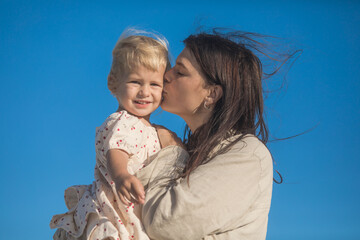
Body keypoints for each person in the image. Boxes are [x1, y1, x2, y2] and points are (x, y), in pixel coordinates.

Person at [134, 30, 293, 240]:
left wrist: (172, 152)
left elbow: (164, 223)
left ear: (212, 94)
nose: (166, 75)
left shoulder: (248, 155)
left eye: (180, 72)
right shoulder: (193, 151)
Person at [50, 29, 171, 240]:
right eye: (135, 82)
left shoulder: (149, 128)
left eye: (154, 84)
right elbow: (116, 150)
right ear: (113, 83)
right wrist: (122, 174)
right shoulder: (123, 121)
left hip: (131, 209)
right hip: (115, 211)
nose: (144, 92)